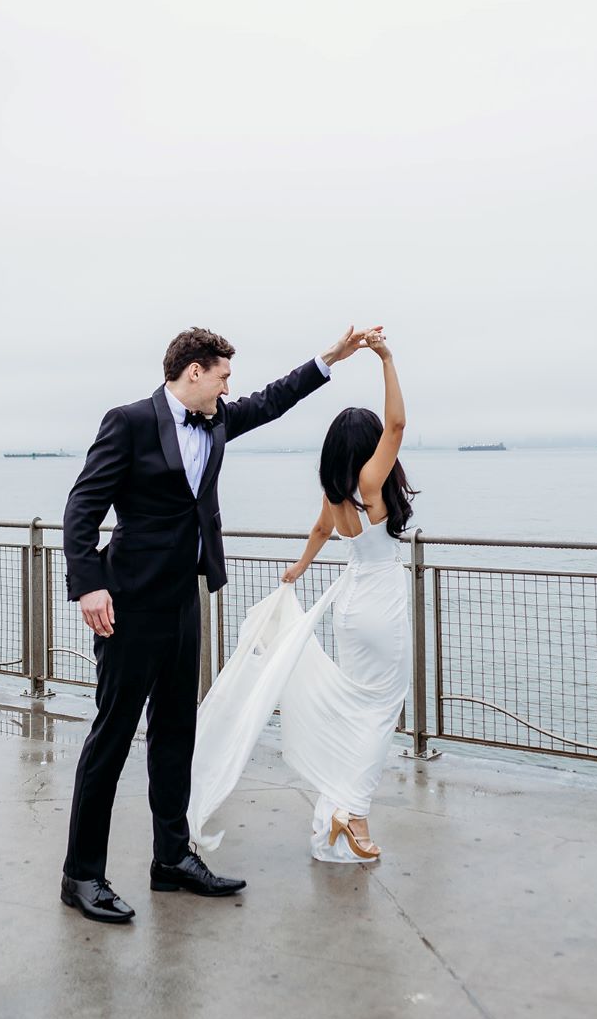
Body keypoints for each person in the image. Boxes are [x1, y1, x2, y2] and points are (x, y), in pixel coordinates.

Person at [60, 324, 372, 923]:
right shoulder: (127, 422)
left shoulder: (219, 420)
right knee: (112, 736)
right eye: (224, 374)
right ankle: (81, 875)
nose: (232, 385)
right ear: (194, 371)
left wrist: (329, 358)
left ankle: (171, 860)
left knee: (177, 733)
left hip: (184, 600)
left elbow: (275, 399)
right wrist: (90, 585)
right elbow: (82, 505)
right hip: (127, 605)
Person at [187, 330, 415, 862]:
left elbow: (319, 533)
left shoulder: (338, 489)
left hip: (350, 607)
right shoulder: (372, 482)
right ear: (369, 445)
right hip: (380, 604)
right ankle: (352, 811)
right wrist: (386, 358)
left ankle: (338, 805)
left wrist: (297, 569)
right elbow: (399, 425)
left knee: (360, 706)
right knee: (382, 708)